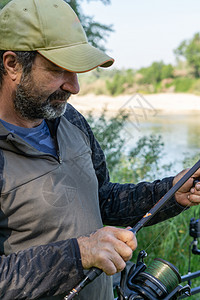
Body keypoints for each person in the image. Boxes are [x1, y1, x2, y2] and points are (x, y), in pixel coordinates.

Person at [0, 0, 200, 299]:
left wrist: (170, 192)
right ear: (12, 64)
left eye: (77, 71)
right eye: (59, 70)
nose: (74, 87)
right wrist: (78, 254)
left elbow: (101, 198)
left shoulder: (69, 119)